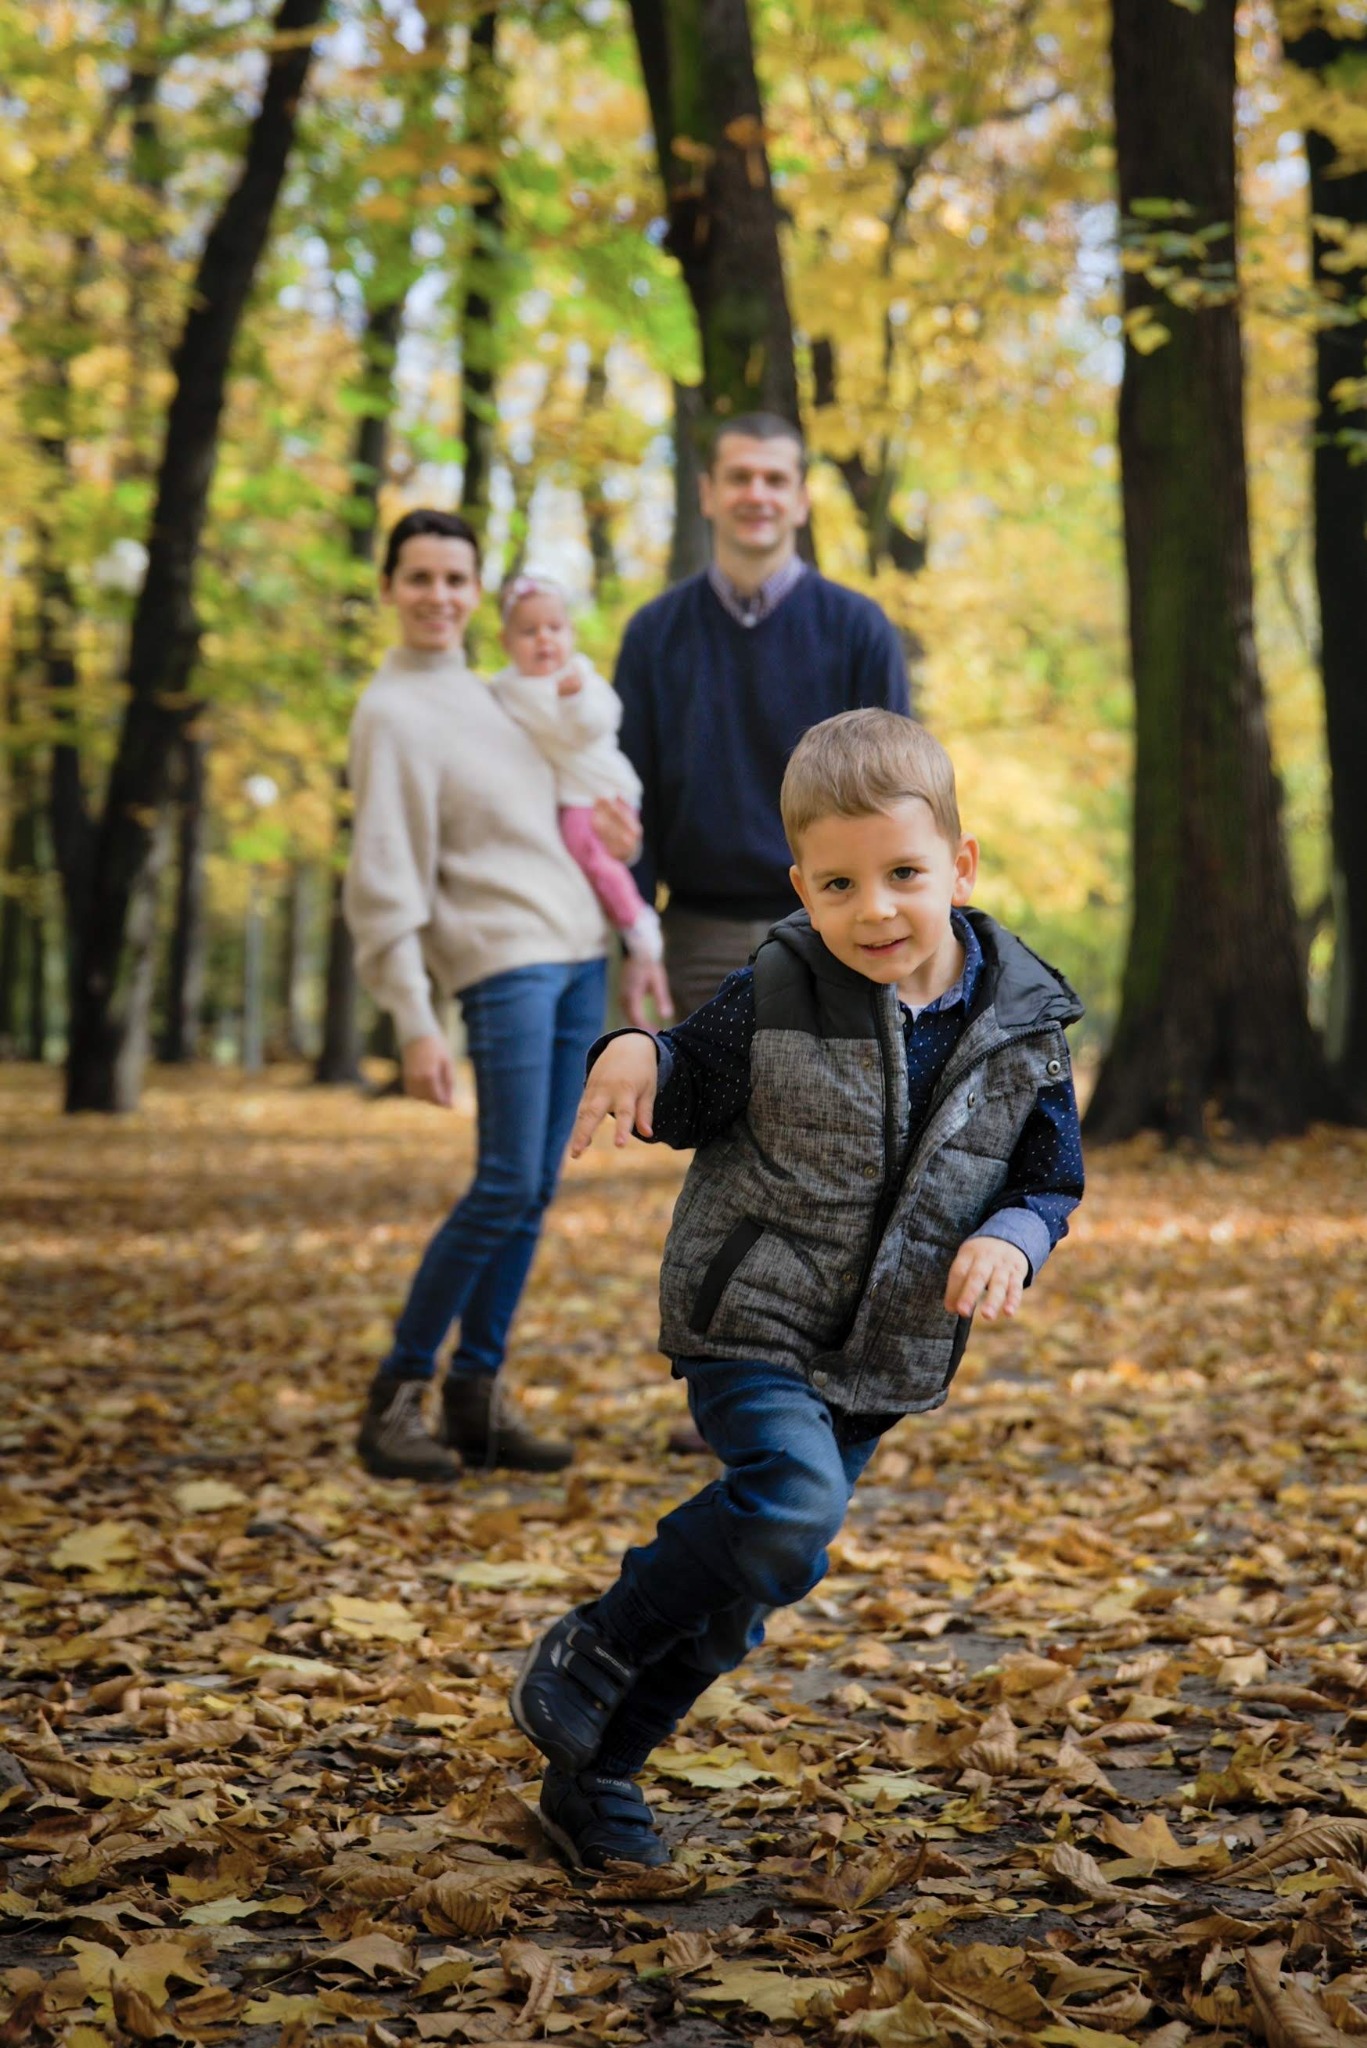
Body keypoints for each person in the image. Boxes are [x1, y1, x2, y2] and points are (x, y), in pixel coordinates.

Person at [508, 710, 1085, 1869]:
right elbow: (681, 1082)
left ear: (959, 867)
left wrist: (1014, 1238)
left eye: (903, 875)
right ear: (800, 887)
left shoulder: (1022, 1024)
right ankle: (592, 1639)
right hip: (753, 1319)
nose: (873, 909)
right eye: (838, 883)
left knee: (761, 1579)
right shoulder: (777, 987)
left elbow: (1050, 1174)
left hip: (882, 1350)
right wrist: (630, 1050)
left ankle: (597, 1774)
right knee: (785, 1509)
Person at [344, 510, 635, 1483]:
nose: (436, 596)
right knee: (505, 1179)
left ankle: (477, 1396)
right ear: (388, 586)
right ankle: (395, 1396)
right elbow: (383, 879)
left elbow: (563, 812)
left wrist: (612, 837)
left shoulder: (496, 696)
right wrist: (412, 1017)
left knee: (538, 1185)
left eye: (453, 579)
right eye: (417, 577)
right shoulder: (391, 712)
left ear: (476, 592)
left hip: (575, 955)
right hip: (501, 965)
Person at [614, 411, 911, 1032]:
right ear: (707, 494)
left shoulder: (859, 629)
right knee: (717, 1130)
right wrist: (633, 938)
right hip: (697, 937)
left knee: (831, 1126)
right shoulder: (653, 635)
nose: (757, 495)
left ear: (801, 501)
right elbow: (627, 800)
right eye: (740, 477)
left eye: (775, 480)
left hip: (834, 928)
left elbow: (898, 799)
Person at [490, 572, 663, 967]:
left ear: (570, 633)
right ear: (505, 642)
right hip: (572, 792)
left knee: (587, 852)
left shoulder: (579, 678)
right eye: (528, 631)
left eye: (554, 628)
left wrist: (573, 701)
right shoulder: (506, 688)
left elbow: (597, 725)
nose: (544, 639)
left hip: (600, 791)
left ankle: (636, 921)